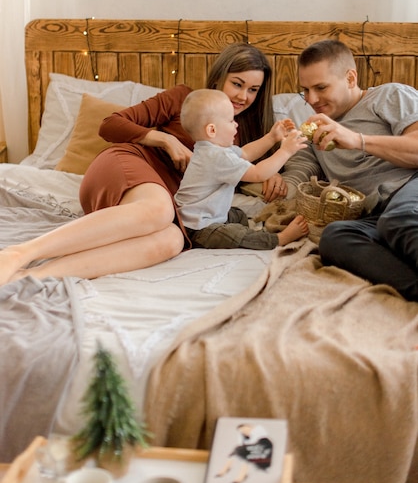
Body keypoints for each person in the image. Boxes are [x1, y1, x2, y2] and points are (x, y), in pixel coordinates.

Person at [0, 43, 291, 286]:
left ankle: (33, 275)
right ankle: (21, 253)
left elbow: (243, 167)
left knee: (172, 242)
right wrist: (164, 140)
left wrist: (274, 169)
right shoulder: (183, 99)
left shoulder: (238, 132)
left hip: (167, 212)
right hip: (128, 168)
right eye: (237, 84)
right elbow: (110, 125)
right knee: (158, 209)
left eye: (253, 90)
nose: (243, 96)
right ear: (219, 77)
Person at [281, 38, 418, 300]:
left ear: (351, 78)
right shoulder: (316, 131)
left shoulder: (390, 95)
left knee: (398, 219)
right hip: (376, 212)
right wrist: (274, 180)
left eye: (321, 87)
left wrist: (357, 140)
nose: (312, 99)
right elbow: (298, 170)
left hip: (411, 188)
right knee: (334, 237)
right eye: (305, 90)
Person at [175, 89, 308, 249]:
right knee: (234, 234)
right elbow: (258, 173)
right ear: (212, 130)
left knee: (237, 214)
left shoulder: (213, 150)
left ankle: (250, 233)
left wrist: (271, 137)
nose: (236, 124)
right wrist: (285, 151)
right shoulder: (216, 157)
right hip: (197, 228)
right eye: (231, 121)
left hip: (207, 217)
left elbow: (245, 153)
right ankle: (279, 239)